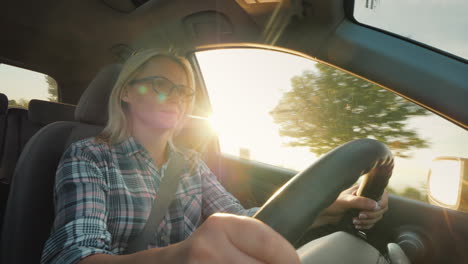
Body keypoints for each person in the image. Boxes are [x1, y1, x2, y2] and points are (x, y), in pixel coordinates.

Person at [41, 49, 388, 264]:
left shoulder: (190, 163)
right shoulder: (89, 156)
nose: (175, 96)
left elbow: (247, 223)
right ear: (128, 92)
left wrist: (331, 206)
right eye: (161, 84)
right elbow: (74, 257)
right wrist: (179, 257)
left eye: (183, 90)